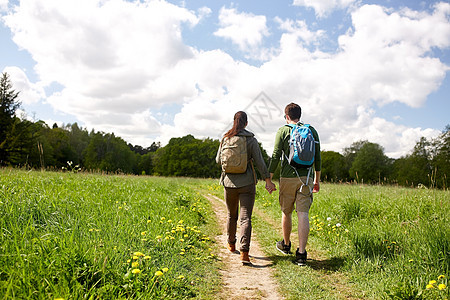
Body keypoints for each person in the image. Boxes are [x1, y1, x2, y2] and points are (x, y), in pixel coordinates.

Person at [216, 111, 276, 265]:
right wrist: (268, 180)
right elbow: (260, 162)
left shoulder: (225, 138)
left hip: (228, 183)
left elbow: (218, 160)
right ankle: (244, 253)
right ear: (246, 123)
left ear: (234, 122)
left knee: (231, 215)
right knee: (245, 218)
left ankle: (231, 244)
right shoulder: (251, 140)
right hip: (247, 183)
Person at [268, 103, 321, 266]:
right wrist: (316, 180)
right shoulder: (312, 131)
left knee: (287, 212)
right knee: (303, 213)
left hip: (287, 177)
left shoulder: (283, 130)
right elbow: (318, 158)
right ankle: (302, 254)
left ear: (286, 116)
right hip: (306, 178)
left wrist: (268, 178)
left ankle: (286, 244)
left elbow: (276, 155)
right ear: (300, 115)